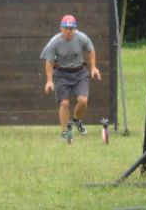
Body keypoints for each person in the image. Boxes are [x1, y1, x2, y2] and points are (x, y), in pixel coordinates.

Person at [41, 14, 101, 143]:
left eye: (71, 28)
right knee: (64, 103)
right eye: (66, 28)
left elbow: (91, 50)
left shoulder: (82, 38)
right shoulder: (54, 42)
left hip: (79, 72)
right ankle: (65, 132)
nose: (69, 31)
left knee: (83, 100)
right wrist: (49, 81)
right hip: (62, 74)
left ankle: (76, 120)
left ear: (75, 29)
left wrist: (93, 68)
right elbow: (49, 61)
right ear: (61, 28)